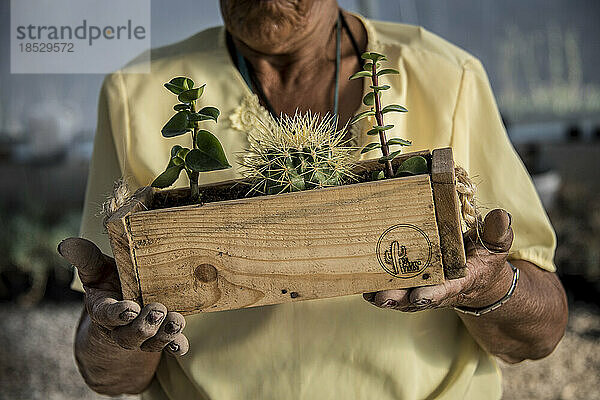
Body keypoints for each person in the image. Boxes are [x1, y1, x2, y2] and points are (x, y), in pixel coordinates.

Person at [59, 1, 568, 398]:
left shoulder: (444, 75)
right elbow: (109, 376)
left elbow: (540, 333)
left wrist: (484, 281)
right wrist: (115, 332)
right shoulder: (135, 91)